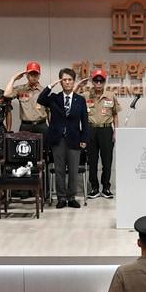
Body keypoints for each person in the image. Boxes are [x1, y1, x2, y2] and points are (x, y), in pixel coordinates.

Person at [36, 68, 90, 210]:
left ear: (73, 82)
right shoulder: (54, 98)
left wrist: (84, 139)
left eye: (70, 80)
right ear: (61, 82)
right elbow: (40, 99)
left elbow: (85, 121)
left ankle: (71, 197)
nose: (67, 82)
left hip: (74, 139)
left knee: (73, 170)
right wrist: (50, 86)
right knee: (59, 170)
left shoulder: (80, 100)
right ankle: (61, 198)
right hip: (57, 139)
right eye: (64, 80)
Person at [83, 71, 121, 199]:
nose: (99, 83)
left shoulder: (111, 96)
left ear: (105, 82)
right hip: (91, 130)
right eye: (96, 80)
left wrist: (116, 131)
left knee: (107, 161)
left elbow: (115, 114)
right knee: (92, 161)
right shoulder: (85, 95)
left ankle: (106, 188)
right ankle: (94, 188)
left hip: (106, 131)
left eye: (101, 81)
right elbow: (72, 99)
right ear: (92, 81)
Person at [5, 62, 50, 135]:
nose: (33, 76)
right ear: (27, 76)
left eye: (35, 74)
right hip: (26, 126)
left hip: (41, 126)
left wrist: (51, 128)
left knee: (44, 146)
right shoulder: (20, 89)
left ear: (39, 76)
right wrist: (14, 79)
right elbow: (6, 94)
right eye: (31, 74)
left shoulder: (44, 91)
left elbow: (49, 111)